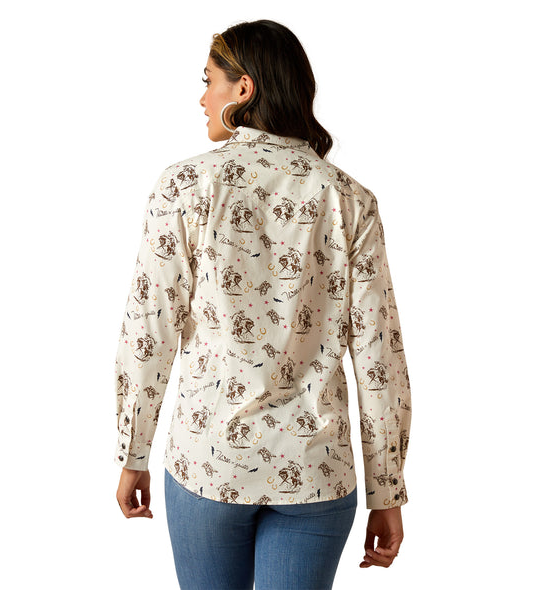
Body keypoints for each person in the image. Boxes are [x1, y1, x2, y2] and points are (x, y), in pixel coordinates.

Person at [114, 19, 412, 590]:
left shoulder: (186, 186)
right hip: (316, 471)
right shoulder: (349, 199)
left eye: (209, 81)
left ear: (243, 89)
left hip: (209, 463)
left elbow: (149, 330)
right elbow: (380, 357)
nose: (203, 98)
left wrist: (134, 451)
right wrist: (387, 490)